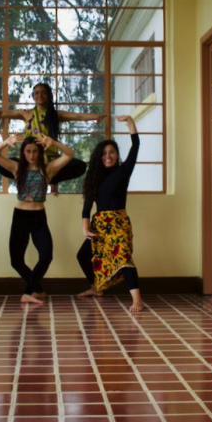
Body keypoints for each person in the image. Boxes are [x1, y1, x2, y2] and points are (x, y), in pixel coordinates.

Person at [0, 133, 75, 304]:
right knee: (16, 260)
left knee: (46, 256)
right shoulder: (16, 168)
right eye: (28, 151)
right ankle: (37, 290)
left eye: (35, 151)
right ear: (23, 153)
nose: (31, 155)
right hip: (20, 216)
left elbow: (70, 154)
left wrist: (53, 142)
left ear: (40, 152)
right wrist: (6, 142)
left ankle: (27, 293)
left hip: (38, 217)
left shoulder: (48, 169)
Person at [0, 82, 103, 190]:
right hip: (31, 159)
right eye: (37, 92)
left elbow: (78, 116)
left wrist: (95, 117)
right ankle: (36, 177)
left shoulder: (55, 115)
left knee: (80, 166)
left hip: (51, 159)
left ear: (48, 96)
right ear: (33, 96)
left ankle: (51, 179)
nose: (40, 95)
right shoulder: (26, 114)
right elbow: (3, 113)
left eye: (43, 92)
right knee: (2, 167)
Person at [76, 116, 144, 313]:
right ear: (99, 156)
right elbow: (87, 205)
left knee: (123, 258)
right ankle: (96, 288)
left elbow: (135, 147)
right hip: (100, 224)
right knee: (83, 255)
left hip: (118, 223)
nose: (108, 156)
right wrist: (85, 227)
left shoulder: (123, 172)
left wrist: (131, 124)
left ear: (116, 155)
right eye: (104, 153)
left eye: (112, 152)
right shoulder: (94, 178)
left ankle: (137, 299)